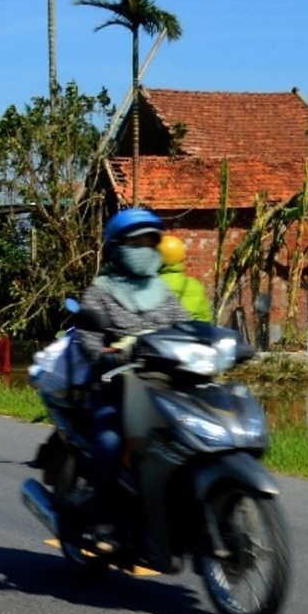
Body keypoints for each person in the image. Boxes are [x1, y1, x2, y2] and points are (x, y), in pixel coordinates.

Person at [72, 209, 192, 518]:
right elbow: (87, 336)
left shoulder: (163, 292)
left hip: (163, 385)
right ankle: (100, 509)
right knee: (110, 439)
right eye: (134, 243)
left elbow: (187, 327)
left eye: (149, 242)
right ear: (116, 247)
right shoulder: (100, 290)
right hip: (115, 384)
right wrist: (104, 354)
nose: (143, 249)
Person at [158, 234, 213, 322]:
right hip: (195, 334)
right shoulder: (196, 286)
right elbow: (207, 319)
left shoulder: (151, 285)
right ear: (182, 256)